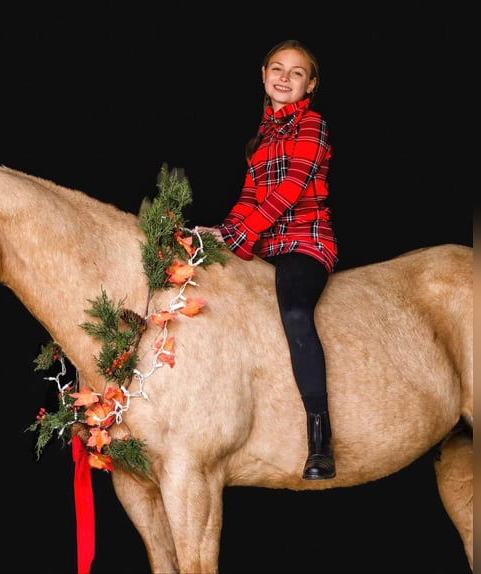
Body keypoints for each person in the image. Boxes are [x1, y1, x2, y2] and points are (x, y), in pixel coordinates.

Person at [199, 39, 338, 480]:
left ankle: (320, 438)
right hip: (264, 246)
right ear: (263, 76)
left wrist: (239, 236)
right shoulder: (259, 139)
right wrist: (219, 235)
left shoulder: (312, 126)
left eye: (296, 72)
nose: (284, 77)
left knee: (295, 311)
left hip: (304, 243)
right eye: (277, 69)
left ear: (310, 85)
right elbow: (248, 198)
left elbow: (287, 193)